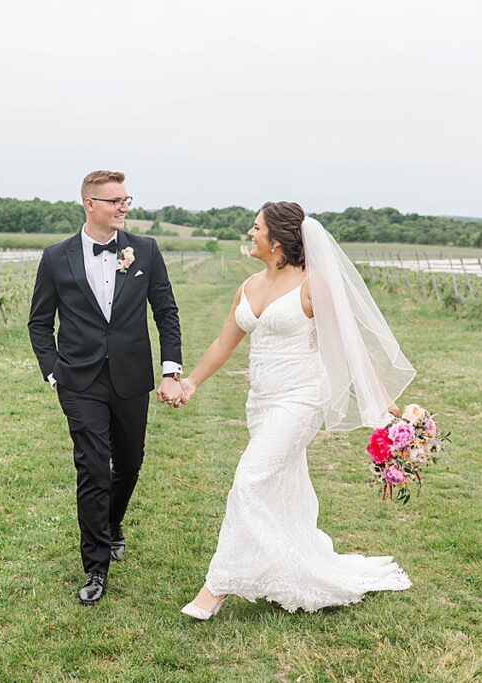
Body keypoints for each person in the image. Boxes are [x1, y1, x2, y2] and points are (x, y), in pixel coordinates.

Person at [177, 201, 416, 619]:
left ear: (278, 239)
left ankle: (216, 587)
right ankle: (291, 568)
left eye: (256, 228)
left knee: (250, 479)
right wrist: (191, 383)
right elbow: (222, 343)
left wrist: (385, 404)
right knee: (280, 486)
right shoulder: (249, 285)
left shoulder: (313, 285)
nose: (250, 234)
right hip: (261, 402)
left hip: (301, 400)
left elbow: (347, 348)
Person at [27, 170, 184, 605]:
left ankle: (113, 524)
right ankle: (95, 566)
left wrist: (171, 369)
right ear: (89, 204)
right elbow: (40, 323)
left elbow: (166, 312)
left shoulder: (146, 252)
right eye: (115, 200)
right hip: (79, 380)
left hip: (132, 377)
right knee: (93, 467)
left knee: (129, 464)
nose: (124, 207)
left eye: (126, 199)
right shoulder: (56, 258)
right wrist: (53, 370)